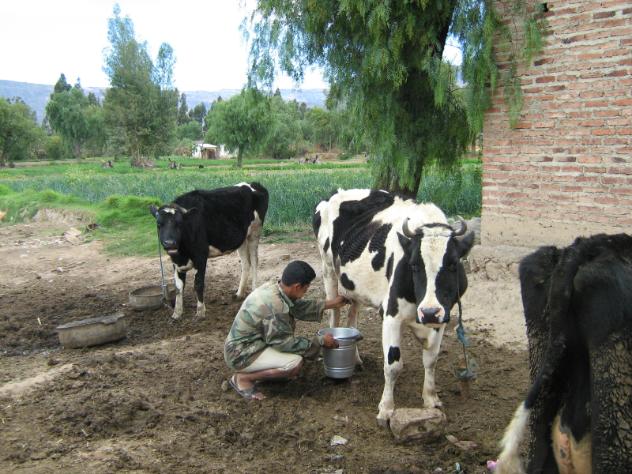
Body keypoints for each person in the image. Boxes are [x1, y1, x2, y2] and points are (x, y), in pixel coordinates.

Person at [224, 260, 349, 400]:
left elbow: (296, 307)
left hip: (251, 344)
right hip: (241, 354)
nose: (305, 293)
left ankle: (269, 373)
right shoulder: (275, 306)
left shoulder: (275, 288)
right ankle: (243, 378)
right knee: (294, 363)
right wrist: (320, 341)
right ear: (297, 287)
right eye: (305, 289)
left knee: (294, 357)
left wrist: (332, 304)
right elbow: (285, 344)